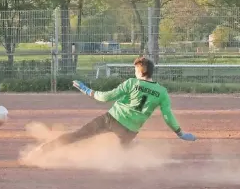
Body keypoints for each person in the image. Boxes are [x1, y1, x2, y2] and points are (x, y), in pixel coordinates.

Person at [29, 57, 196, 156]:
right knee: (124, 151)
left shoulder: (132, 83)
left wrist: (87, 90)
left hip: (112, 119)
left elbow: (106, 97)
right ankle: (133, 148)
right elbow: (168, 116)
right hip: (130, 130)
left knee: (78, 135)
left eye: (134, 69)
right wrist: (180, 133)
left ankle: (44, 149)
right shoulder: (162, 92)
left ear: (139, 71)